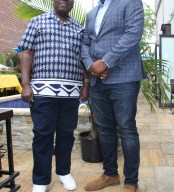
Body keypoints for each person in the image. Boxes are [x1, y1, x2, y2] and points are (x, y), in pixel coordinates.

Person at [18, 0, 89, 192]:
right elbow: (26, 52)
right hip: (43, 92)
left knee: (66, 135)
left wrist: (85, 84)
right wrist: (25, 84)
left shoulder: (79, 28)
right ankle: (40, 180)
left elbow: (83, 59)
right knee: (43, 135)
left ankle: (64, 172)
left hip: (71, 93)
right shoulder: (37, 22)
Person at [81, 0, 145, 191]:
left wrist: (106, 62)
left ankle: (131, 182)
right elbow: (85, 43)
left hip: (124, 76)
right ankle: (110, 174)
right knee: (105, 128)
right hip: (97, 80)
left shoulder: (130, 2)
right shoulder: (91, 13)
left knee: (126, 128)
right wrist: (92, 67)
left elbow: (133, 35)